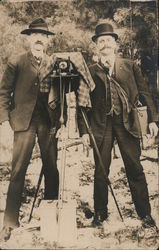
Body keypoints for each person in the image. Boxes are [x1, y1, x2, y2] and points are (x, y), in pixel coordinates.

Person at [78, 22, 158, 227]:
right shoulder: (89, 70)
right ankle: (100, 213)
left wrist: (153, 120)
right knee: (100, 170)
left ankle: (145, 214)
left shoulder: (129, 65)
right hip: (100, 125)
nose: (105, 44)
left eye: (108, 40)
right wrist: (84, 132)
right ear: (96, 46)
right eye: (101, 41)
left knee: (135, 168)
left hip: (127, 123)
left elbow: (144, 92)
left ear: (115, 43)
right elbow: (83, 104)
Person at [0, 18, 60, 241]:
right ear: (28, 38)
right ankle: (9, 222)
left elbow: (63, 91)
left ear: (47, 41)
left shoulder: (54, 62)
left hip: (48, 123)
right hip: (23, 123)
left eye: (43, 36)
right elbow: (3, 93)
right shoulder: (16, 62)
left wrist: (60, 121)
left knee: (52, 168)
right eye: (35, 35)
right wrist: (5, 122)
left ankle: (50, 216)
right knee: (18, 171)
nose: (39, 39)